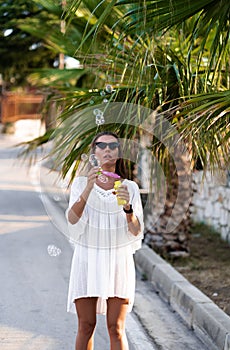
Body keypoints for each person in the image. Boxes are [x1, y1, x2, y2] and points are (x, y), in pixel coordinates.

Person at [66, 131, 144, 350]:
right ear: (94, 153)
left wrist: (128, 209)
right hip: (87, 260)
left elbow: (136, 232)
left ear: (119, 152)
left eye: (113, 146)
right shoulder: (81, 184)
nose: (107, 149)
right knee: (86, 325)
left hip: (118, 262)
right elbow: (72, 220)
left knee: (115, 328)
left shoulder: (130, 187)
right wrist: (89, 188)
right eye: (101, 145)